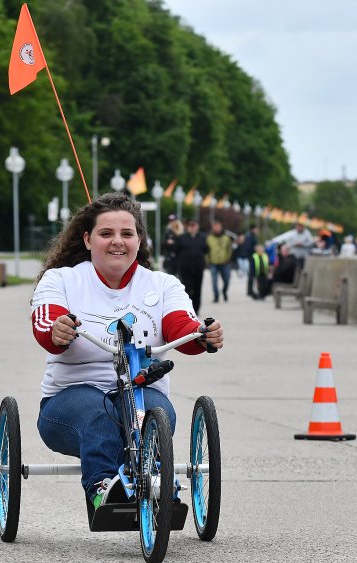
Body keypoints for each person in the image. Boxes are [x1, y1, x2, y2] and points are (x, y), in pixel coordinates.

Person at [30, 193, 224, 510]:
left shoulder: (162, 285)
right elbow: (46, 321)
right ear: (88, 239)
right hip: (71, 396)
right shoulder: (62, 279)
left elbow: (180, 326)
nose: (117, 242)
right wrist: (57, 330)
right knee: (100, 415)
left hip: (141, 387)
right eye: (106, 233)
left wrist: (201, 335)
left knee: (154, 414)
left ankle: (161, 482)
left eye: (127, 234)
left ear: (139, 239)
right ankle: (103, 489)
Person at [175, 219, 209, 314]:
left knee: (197, 289)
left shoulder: (202, 237)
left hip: (198, 268)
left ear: (197, 227)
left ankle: (196, 309)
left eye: (194, 225)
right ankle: (188, 309)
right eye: (190, 226)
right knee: (187, 289)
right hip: (185, 268)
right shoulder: (181, 238)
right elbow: (177, 251)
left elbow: (206, 249)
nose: (192, 228)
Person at [206, 221, 233, 303]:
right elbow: (206, 250)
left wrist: (228, 258)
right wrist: (208, 260)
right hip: (213, 263)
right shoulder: (209, 238)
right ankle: (216, 296)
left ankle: (224, 291)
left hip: (225, 263)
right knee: (214, 281)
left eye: (218, 226)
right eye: (215, 227)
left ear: (221, 227)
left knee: (227, 280)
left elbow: (229, 249)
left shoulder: (226, 238)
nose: (217, 228)